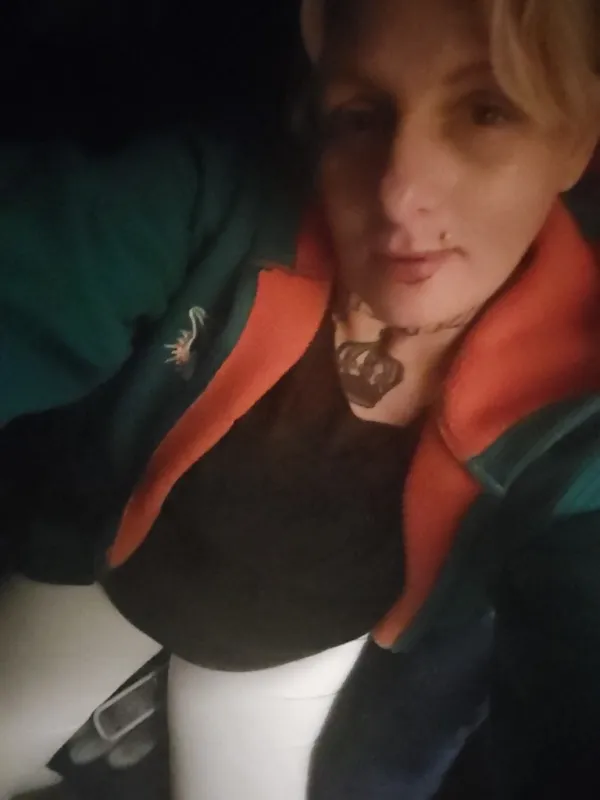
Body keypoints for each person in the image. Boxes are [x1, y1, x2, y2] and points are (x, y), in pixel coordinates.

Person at [1, 0, 600, 798]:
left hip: (291, 657)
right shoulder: (213, 209)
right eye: (361, 116)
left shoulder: (582, 393)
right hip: (110, 583)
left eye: (486, 110)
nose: (399, 193)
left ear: (578, 137)